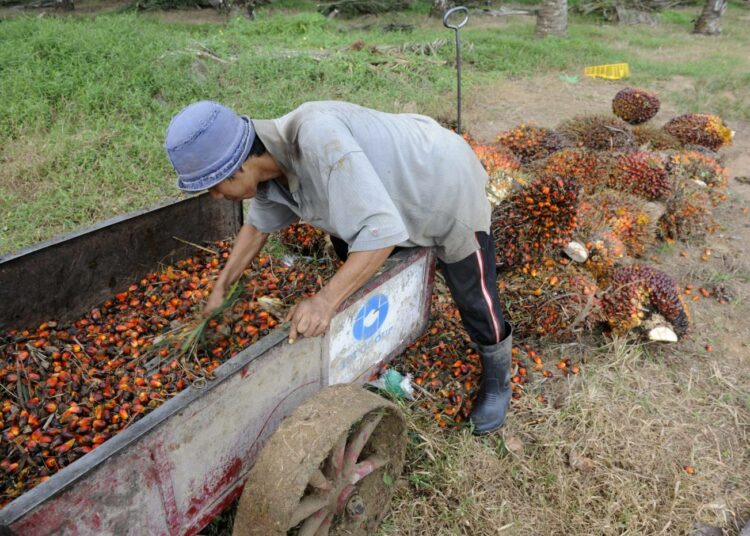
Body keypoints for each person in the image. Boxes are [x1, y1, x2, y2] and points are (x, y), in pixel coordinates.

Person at [164, 100, 513, 434]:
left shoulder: (319, 141)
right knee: (355, 254)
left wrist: (324, 301)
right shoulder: (268, 173)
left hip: (442, 182)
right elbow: (256, 227)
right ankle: (384, 332)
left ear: (239, 166)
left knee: (474, 294)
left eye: (215, 187)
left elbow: (379, 236)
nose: (216, 197)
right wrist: (221, 287)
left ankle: (498, 379)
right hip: (386, 194)